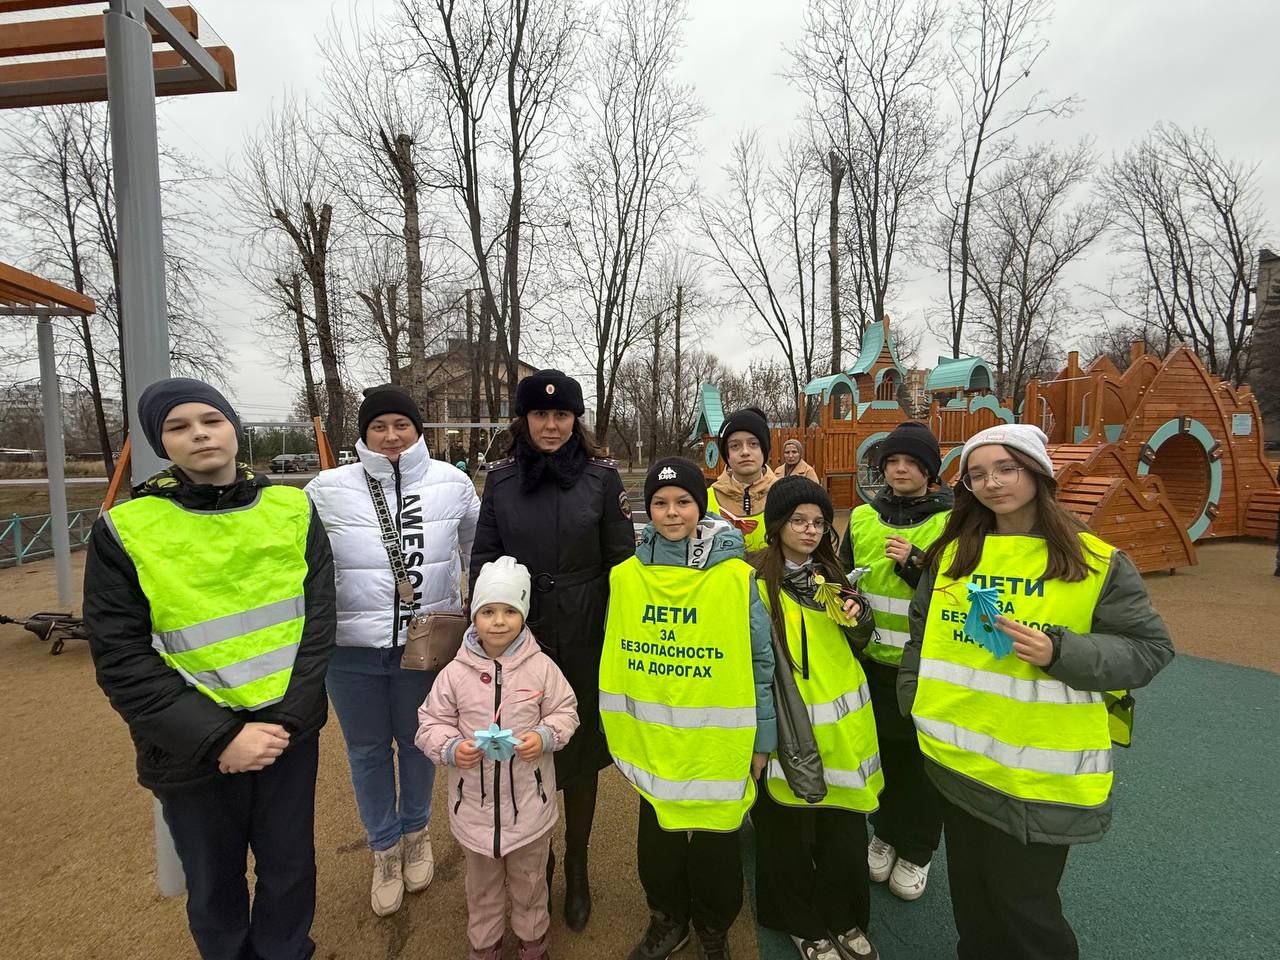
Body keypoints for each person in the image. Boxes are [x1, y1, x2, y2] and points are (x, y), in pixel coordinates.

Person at [899, 424, 1174, 960]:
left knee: (1026, 913)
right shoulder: (953, 554)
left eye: (1006, 468)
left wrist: (1061, 653)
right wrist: (914, 696)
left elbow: (1149, 650)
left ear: (1037, 472)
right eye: (978, 474)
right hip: (957, 762)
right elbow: (921, 633)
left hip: (1037, 777)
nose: (992, 482)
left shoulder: (1094, 562)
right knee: (974, 908)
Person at [84, 377, 336, 960]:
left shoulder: (292, 508)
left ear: (233, 427)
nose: (199, 433)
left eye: (211, 419)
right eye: (178, 426)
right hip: (194, 747)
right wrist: (221, 736)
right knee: (215, 884)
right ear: (161, 443)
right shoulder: (128, 529)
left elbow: (318, 620)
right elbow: (121, 656)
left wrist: (289, 720)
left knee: (290, 867)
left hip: (285, 732)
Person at [305, 384, 480, 917]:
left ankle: (416, 832)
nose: (390, 436)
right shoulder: (326, 488)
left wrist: (475, 607)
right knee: (366, 750)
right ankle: (383, 848)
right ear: (363, 433)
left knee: (421, 742)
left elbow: (475, 547)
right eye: (378, 426)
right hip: (351, 649)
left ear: (417, 429)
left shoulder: (453, 483)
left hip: (426, 646)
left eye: (401, 425)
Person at [470, 368, 636, 931]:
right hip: (522, 639)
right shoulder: (502, 480)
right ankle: (537, 861)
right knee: (527, 748)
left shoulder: (600, 479)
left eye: (561, 415)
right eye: (540, 415)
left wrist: (621, 633)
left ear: (575, 419)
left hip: (588, 634)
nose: (550, 424)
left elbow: (622, 562)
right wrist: (488, 634)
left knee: (581, 752)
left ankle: (579, 865)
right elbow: (484, 563)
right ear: (525, 419)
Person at [601, 457, 776, 960]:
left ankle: (714, 928)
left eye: (683, 502)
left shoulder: (735, 577)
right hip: (656, 740)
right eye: (660, 502)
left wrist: (763, 741)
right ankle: (668, 917)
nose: (671, 512)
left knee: (718, 845)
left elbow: (759, 659)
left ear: (700, 508)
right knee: (659, 841)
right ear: (647, 509)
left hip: (720, 743)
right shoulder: (627, 577)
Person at [416, 557, 580, 960]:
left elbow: (566, 712)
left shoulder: (542, 668)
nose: (499, 621)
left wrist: (543, 737)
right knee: (482, 888)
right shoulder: (454, 673)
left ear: (523, 615)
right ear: (474, 615)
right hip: (473, 809)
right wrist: (452, 747)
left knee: (530, 884)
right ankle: (485, 944)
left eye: (510, 611)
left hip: (529, 810)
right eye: (488, 611)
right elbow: (429, 723)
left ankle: (533, 941)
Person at [752, 476, 882, 960]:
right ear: (777, 525)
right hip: (785, 725)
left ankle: (843, 916)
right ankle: (799, 922)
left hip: (842, 727)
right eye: (798, 521)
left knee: (843, 826)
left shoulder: (835, 576)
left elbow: (861, 641)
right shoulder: (754, 580)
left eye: (819, 523)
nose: (809, 531)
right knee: (783, 829)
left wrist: (860, 616)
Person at [838, 420, 951, 901]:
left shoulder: (951, 519)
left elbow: (958, 591)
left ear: (929, 470)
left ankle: (918, 850)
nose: (900, 470)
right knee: (880, 753)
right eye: (893, 462)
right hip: (871, 662)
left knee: (923, 764)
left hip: (927, 666)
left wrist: (917, 564)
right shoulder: (863, 517)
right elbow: (843, 575)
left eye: (911, 462)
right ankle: (883, 832)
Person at [706, 407, 779, 552]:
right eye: (735, 446)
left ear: (764, 450)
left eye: (753, 444)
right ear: (726, 455)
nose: (745, 452)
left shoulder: (786, 495)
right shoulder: (705, 500)